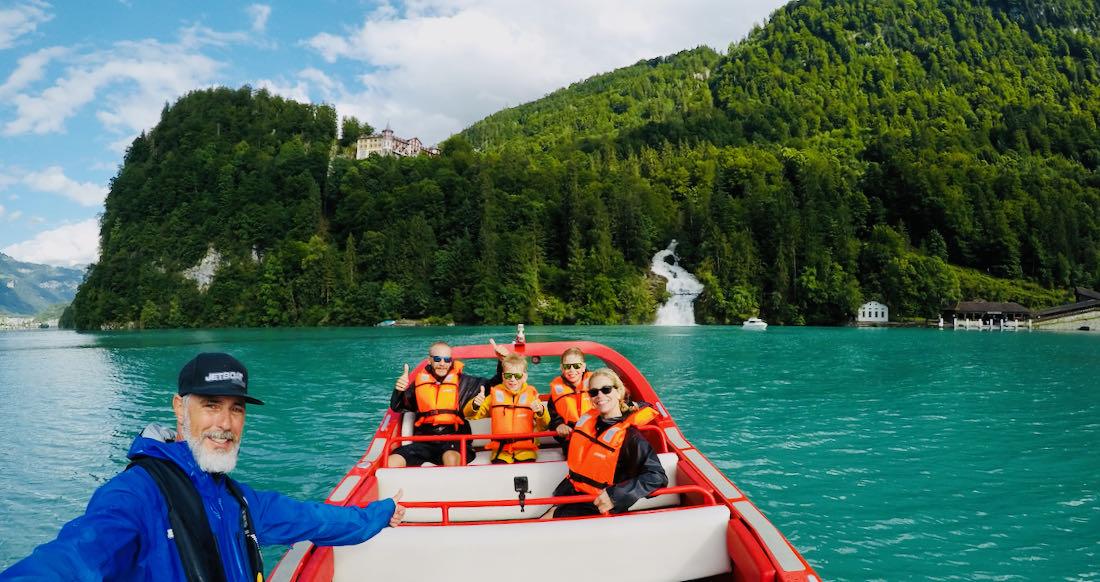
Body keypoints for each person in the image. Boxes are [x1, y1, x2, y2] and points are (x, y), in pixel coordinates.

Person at [0, 352, 405, 581]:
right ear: (180, 408)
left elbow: (315, 520)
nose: (225, 424)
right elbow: (76, 557)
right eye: (210, 405)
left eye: (236, 409)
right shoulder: (135, 495)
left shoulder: (238, 500)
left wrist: (381, 512)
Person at [543, 368, 666, 519]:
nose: (599, 396)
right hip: (573, 495)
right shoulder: (589, 423)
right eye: (594, 392)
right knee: (544, 519)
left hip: (599, 507)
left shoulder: (631, 437)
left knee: (543, 524)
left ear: (618, 392)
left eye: (606, 390)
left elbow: (657, 477)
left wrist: (615, 495)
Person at [388, 339, 507, 467]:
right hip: (424, 441)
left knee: (450, 457)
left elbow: (497, 384)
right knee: (393, 460)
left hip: (455, 440)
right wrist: (398, 391)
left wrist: (502, 362)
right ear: (429, 360)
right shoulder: (418, 384)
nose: (442, 364)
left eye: (447, 360)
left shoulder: (465, 383)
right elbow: (398, 407)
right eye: (438, 359)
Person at [464, 354, 550, 463]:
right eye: (508, 375)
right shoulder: (493, 397)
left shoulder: (532, 397)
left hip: (526, 450)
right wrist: (475, 405)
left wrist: (541, 412)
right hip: (501, 451)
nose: (512, 380)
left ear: (524, 377)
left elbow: (544, 426)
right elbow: (470, 415)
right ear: (503, 376)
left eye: (517, 376)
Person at [547, 346, 592, 448]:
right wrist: (559, 425)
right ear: (562, 368)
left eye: (576, 366)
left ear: (583, 367)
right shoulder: (556, 393)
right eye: (567, 366)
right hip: (571, 439)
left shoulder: (596, 385)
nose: (572, 370)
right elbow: (554, 417)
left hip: (594, 435)